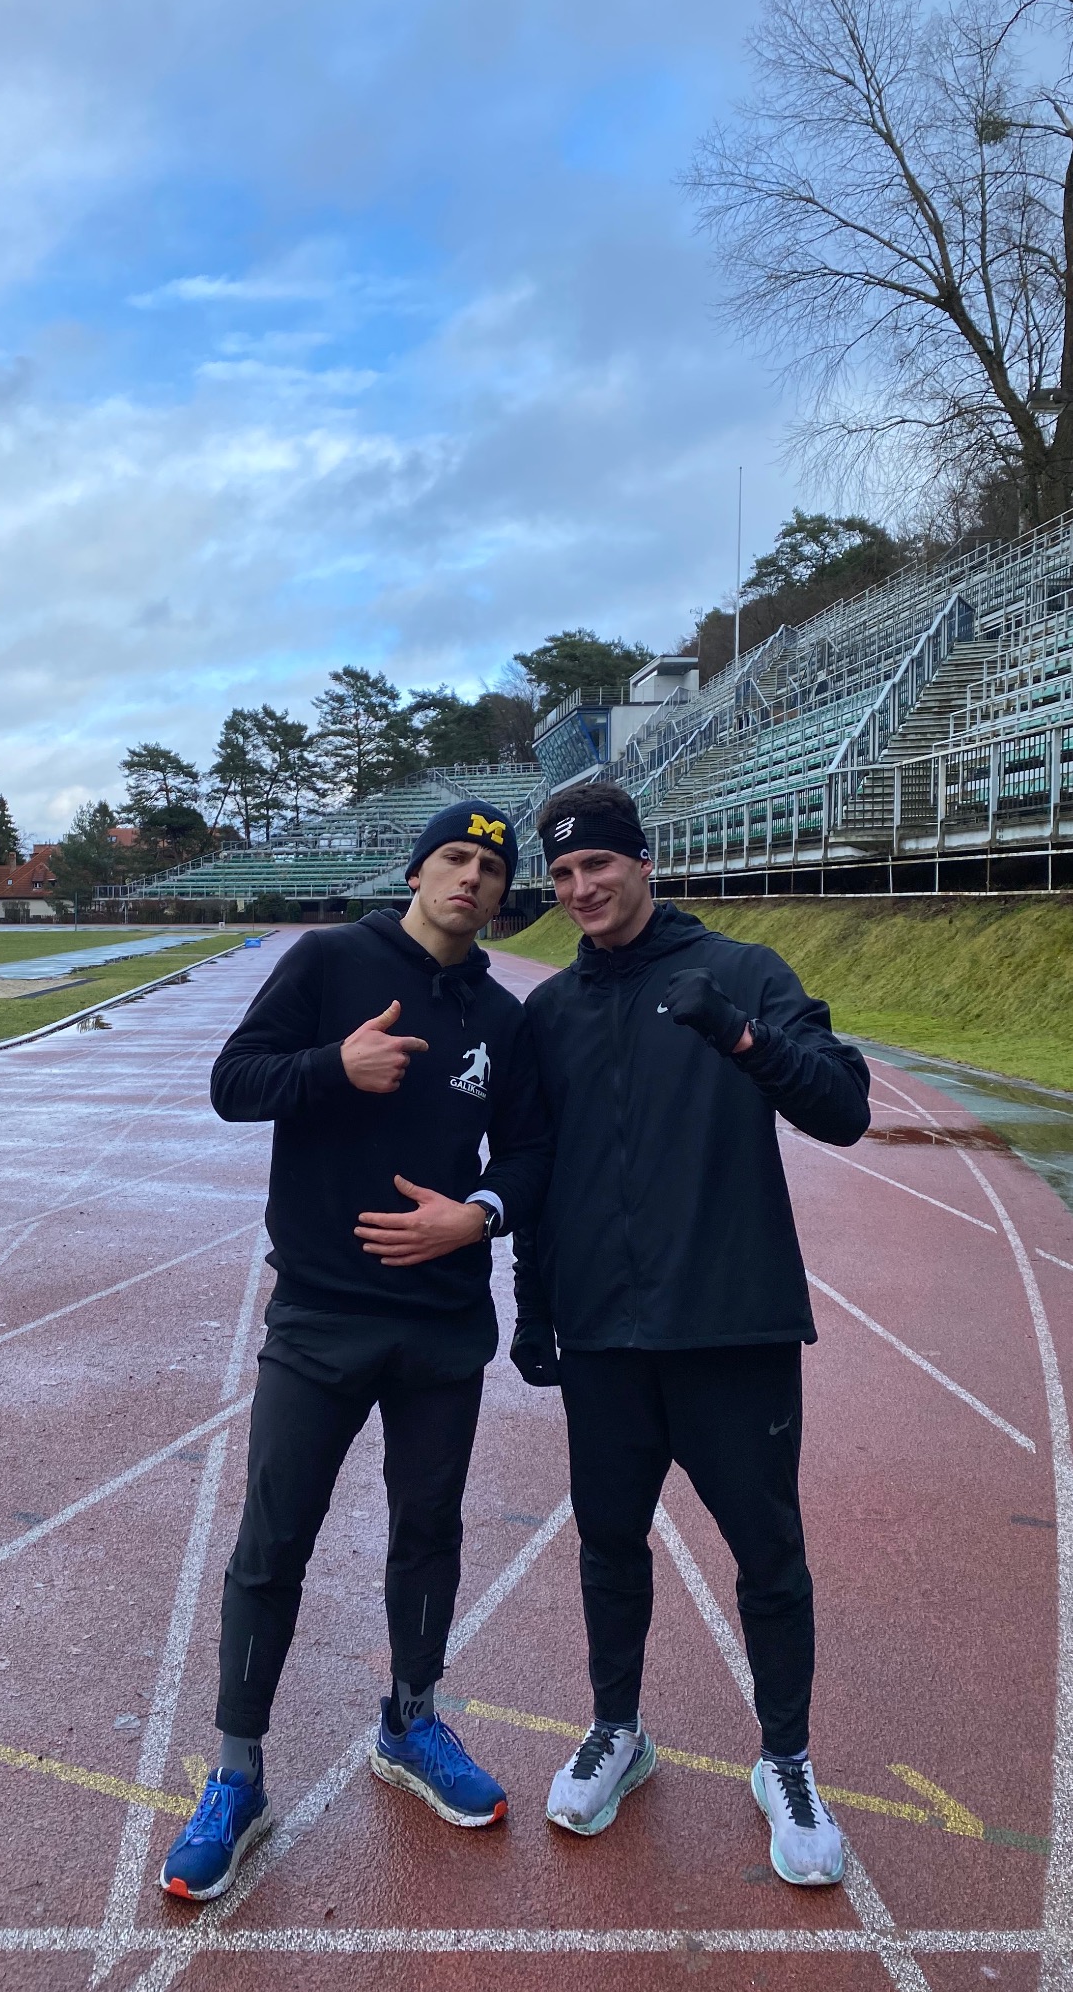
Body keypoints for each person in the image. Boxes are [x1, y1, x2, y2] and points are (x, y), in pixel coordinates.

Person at [158, 803, 551, 1901]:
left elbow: (529, 1150)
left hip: (442, 1316)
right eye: (454, 858)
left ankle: (412, 1720)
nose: (470, 878)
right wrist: (336, 1063)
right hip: (323, 1313)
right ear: (418, 869)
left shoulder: (501, 1017)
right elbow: (234, 1083)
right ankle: (237, 1772)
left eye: (489, 865)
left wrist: (477, 1213)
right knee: (273, 1536)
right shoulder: (331, 960)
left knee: (427, 1528)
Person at [510, 780, 869, 1888]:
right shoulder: (552, 1013)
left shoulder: (744, 970)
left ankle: (787, 1762)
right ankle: (620, 1727)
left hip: (730, 1326)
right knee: (610, 1541)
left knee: (769, 1557)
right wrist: (531, 1304)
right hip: (606, 1338)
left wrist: (743, 1033)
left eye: (598, 866)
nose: (582, 890)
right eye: (563, 875)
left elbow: (843, 1108)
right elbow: (537, 1171)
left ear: (642, 860)